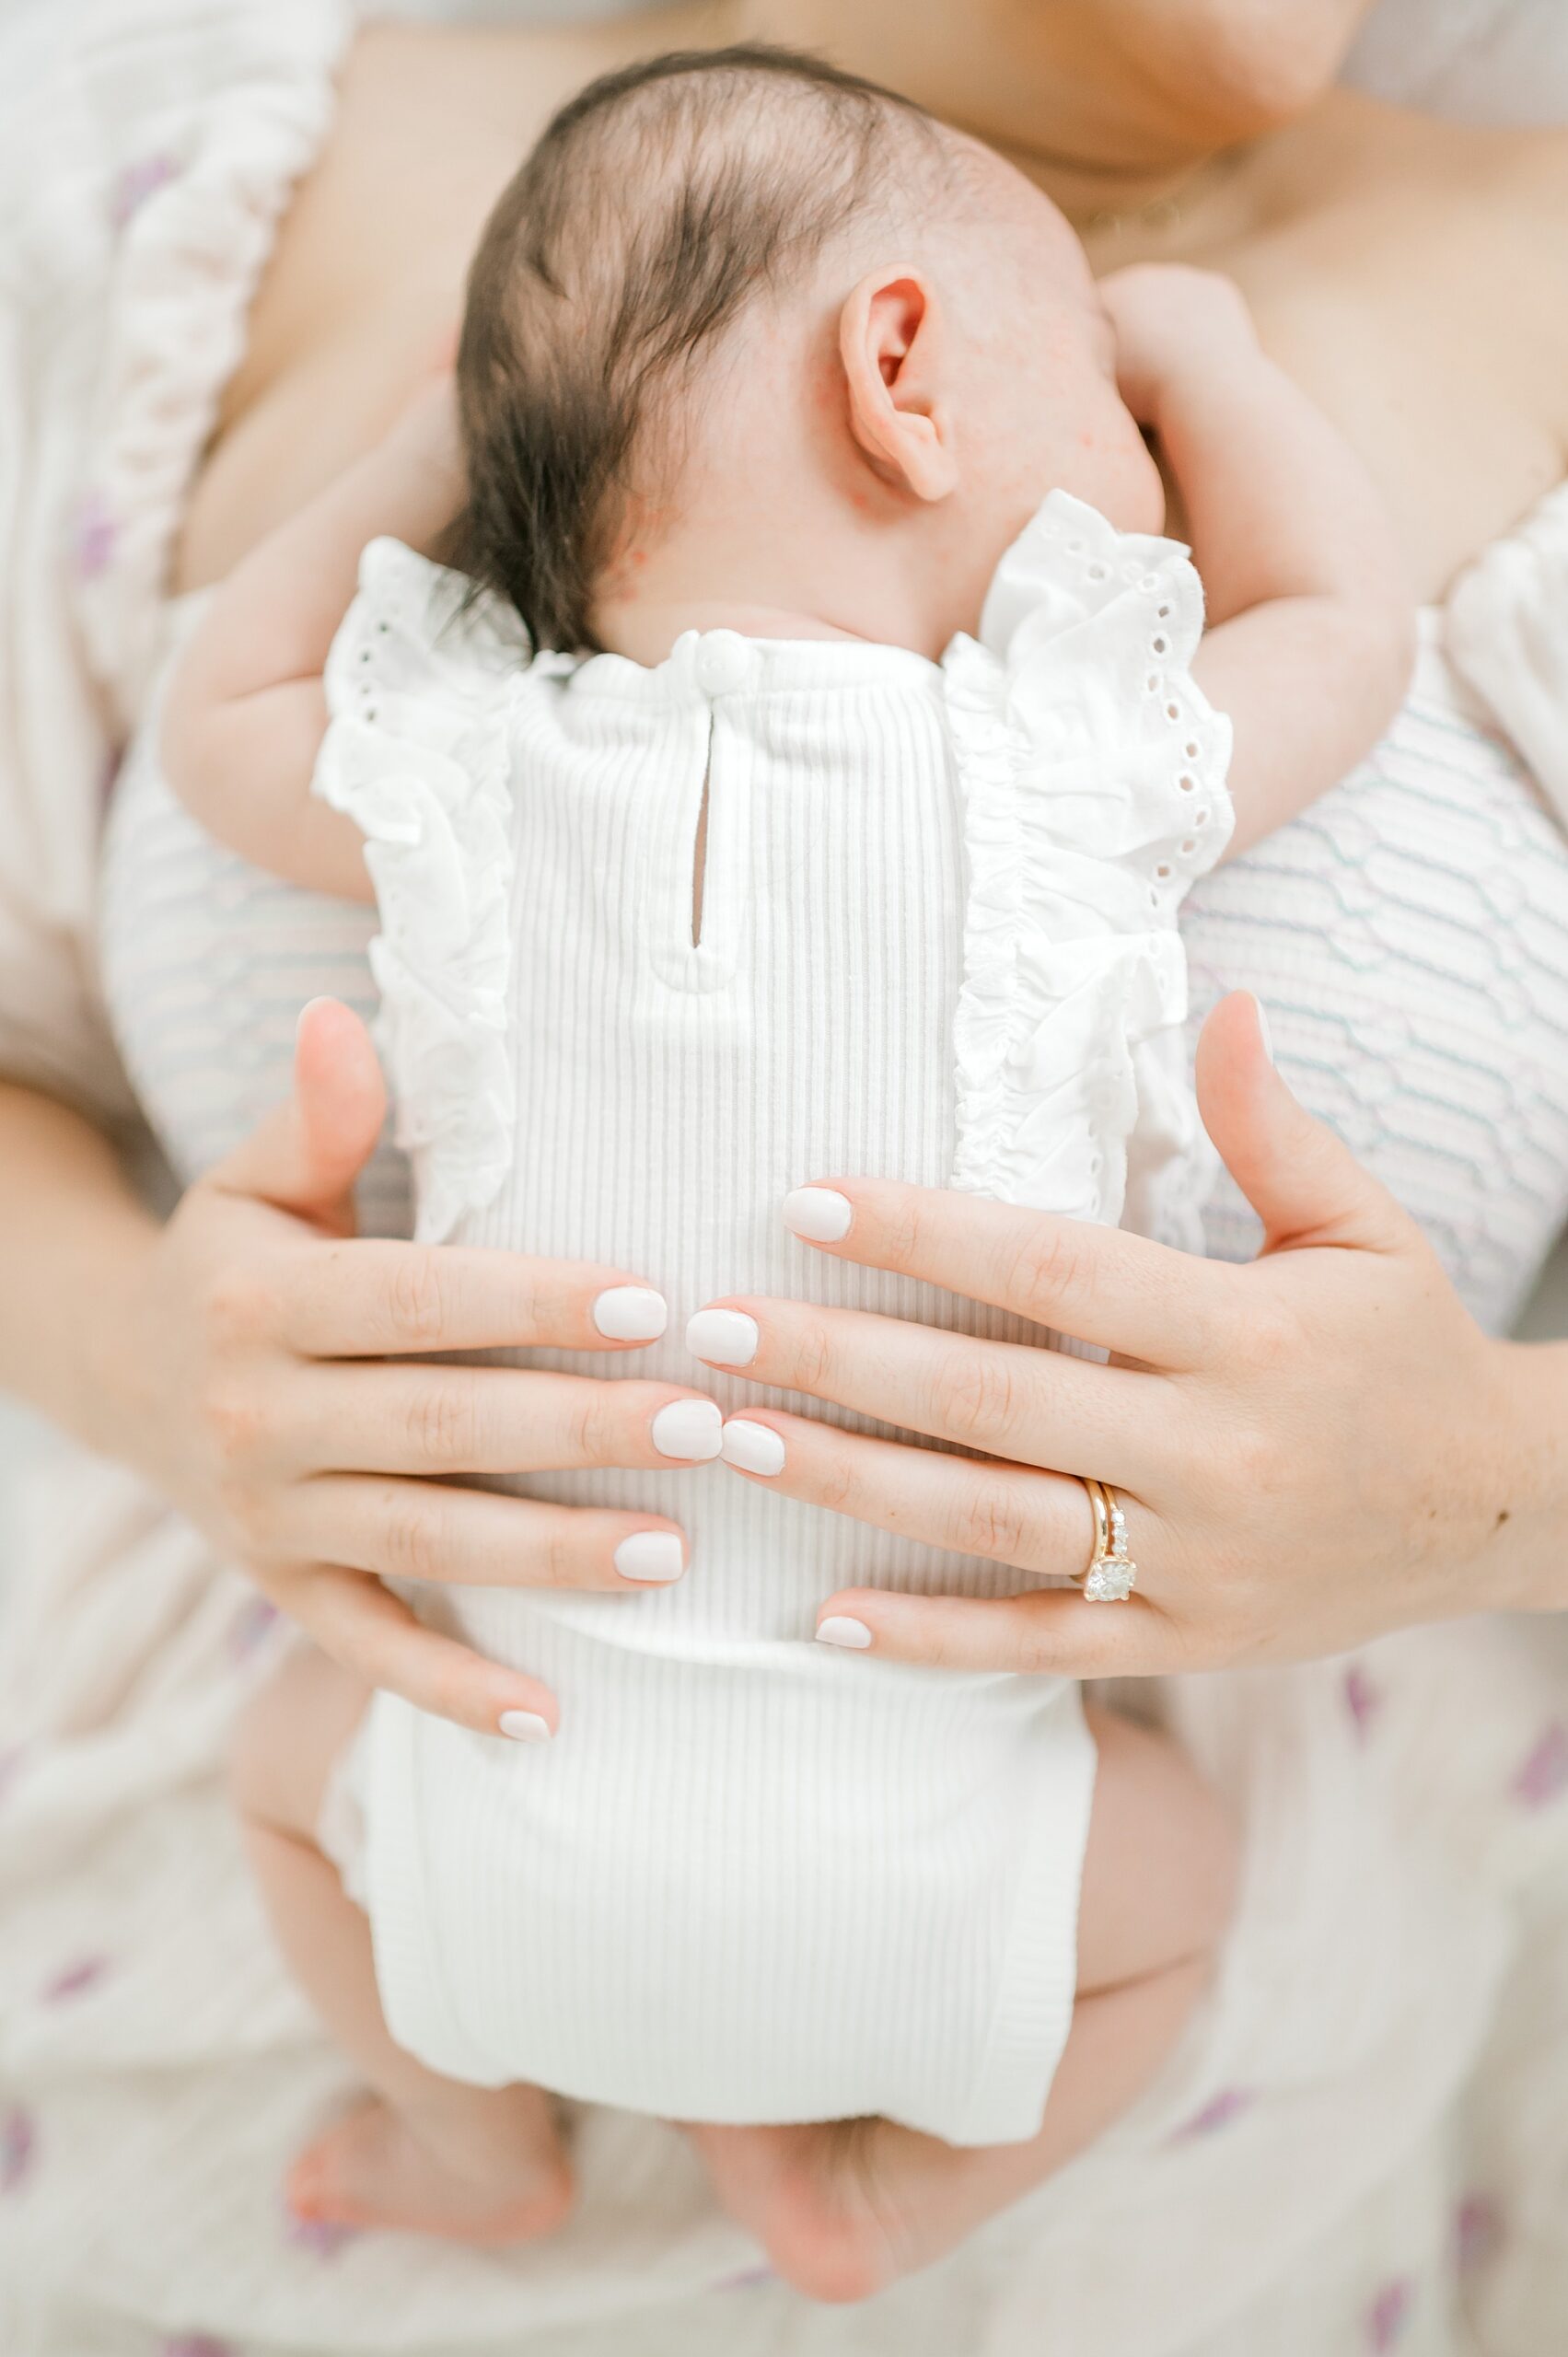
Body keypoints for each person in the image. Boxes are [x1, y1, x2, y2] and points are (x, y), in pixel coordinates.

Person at [3, 5, 1568, 2351]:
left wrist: (1483, 1475)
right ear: (907, 366)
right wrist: (1216, 376)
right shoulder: (1053, 789)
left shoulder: (480, 770)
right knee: (1173, 1892)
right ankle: (868, 2196)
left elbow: (244, 721)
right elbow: (1330, 634)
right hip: (967, 1851)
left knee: (289, 1785)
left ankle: (462, 2127)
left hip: (477, 1764)